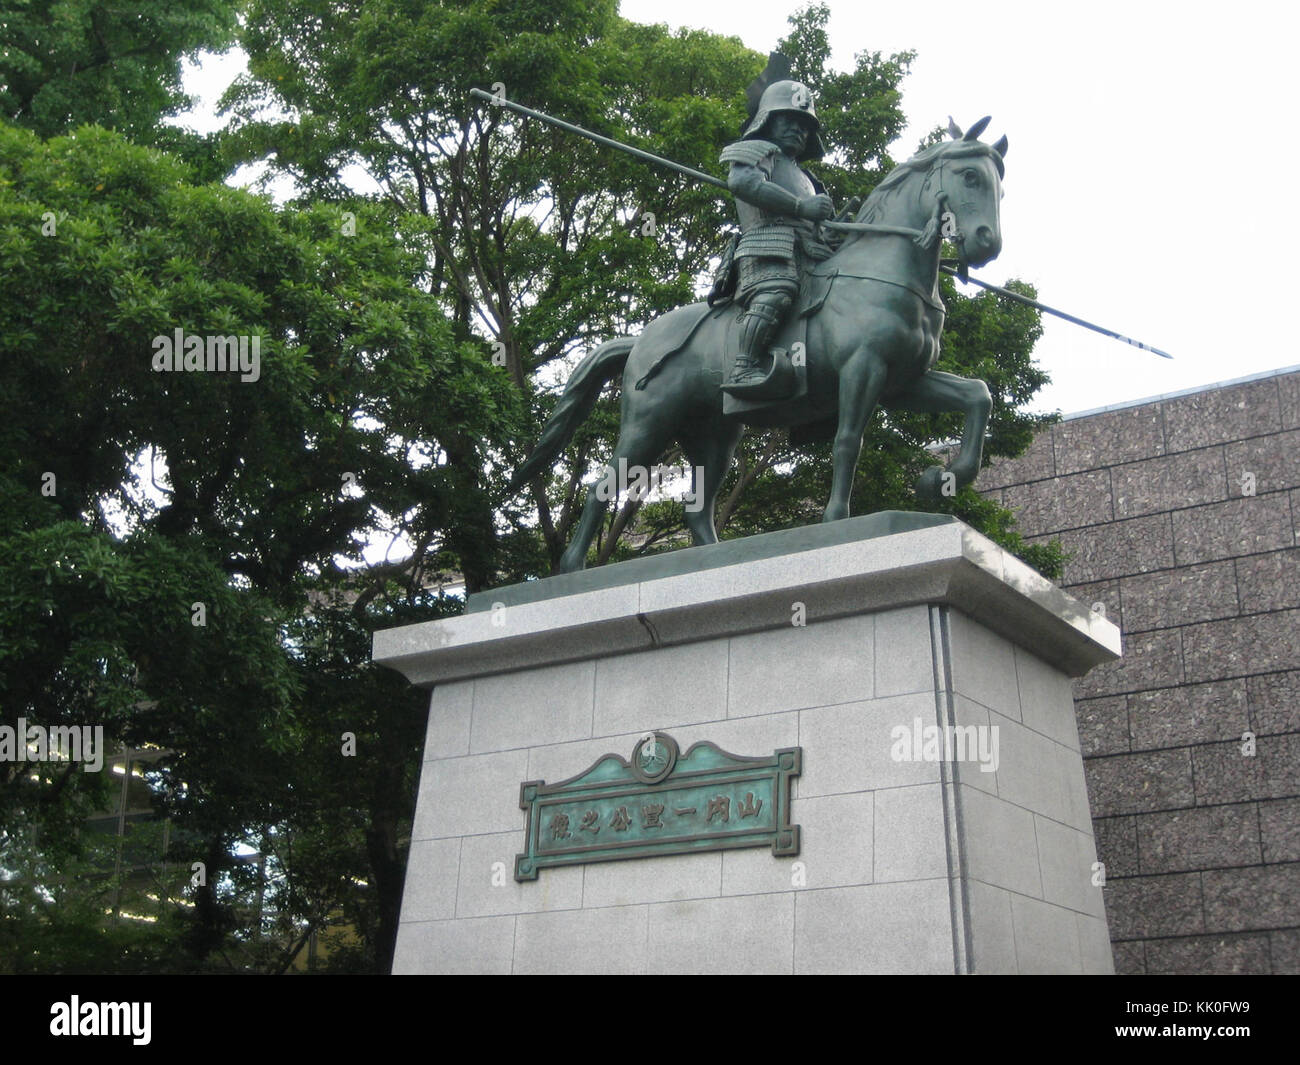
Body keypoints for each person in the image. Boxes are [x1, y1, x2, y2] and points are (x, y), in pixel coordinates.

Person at [719, 77, 837, 393]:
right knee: (777, 292)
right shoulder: (754, 151)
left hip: (810, 251)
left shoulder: (807, 177)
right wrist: (801, 206)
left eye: (805, 125)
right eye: (790, 119)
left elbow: (823, 227)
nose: (799, 129)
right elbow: (745, 184)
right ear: (768, 118)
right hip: (768, 246)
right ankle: (743, 366)